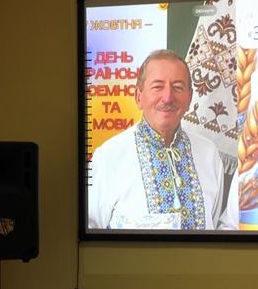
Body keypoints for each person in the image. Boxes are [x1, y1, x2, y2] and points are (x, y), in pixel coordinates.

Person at [88, 49, 224, 230]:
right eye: (157, 87)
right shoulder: (108, 156)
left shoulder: (208, 153)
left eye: (177, 87)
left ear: (190, 98)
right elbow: (90, 233)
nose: (167, 98)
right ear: (138, 97)